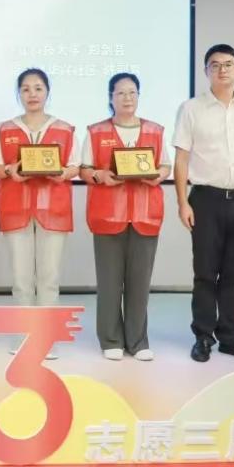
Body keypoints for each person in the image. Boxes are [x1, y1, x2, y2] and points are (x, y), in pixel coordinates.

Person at [174, 44, 234, 364]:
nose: (222, 70)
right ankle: (203, 336)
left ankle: (230, 337)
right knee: (205, 272)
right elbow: (181, 159)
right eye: (214, 65)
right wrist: (182, 203)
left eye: (228, 64)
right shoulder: (191, 109)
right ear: (206, 71)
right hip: (205, 201)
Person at [0, 68, 79, 358]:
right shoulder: (5, 129)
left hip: (54, 210)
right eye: (26, 89)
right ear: (19, 94)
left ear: (47, 92)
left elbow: (75, 166)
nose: (32, 94)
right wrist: (9, 171)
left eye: (38, 88)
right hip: (16, 209)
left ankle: (46, 339)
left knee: (49, 278)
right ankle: (23, 336)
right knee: (21, 279)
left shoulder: (64, 129)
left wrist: (62, 172)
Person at [79, 73, 170, 361]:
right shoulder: (96, 132)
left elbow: (165, 166)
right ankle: (110, 340)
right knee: (109, 282)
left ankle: (138, 341)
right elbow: (84, 169)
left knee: (139, 283)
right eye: (120, 93)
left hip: (145, 215)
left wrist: (158, 176)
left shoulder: (154, 131)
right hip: (108, 215)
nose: (127, 98)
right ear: (111, 98)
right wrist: (99, 175)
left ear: (138, 96)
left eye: (132, 92)